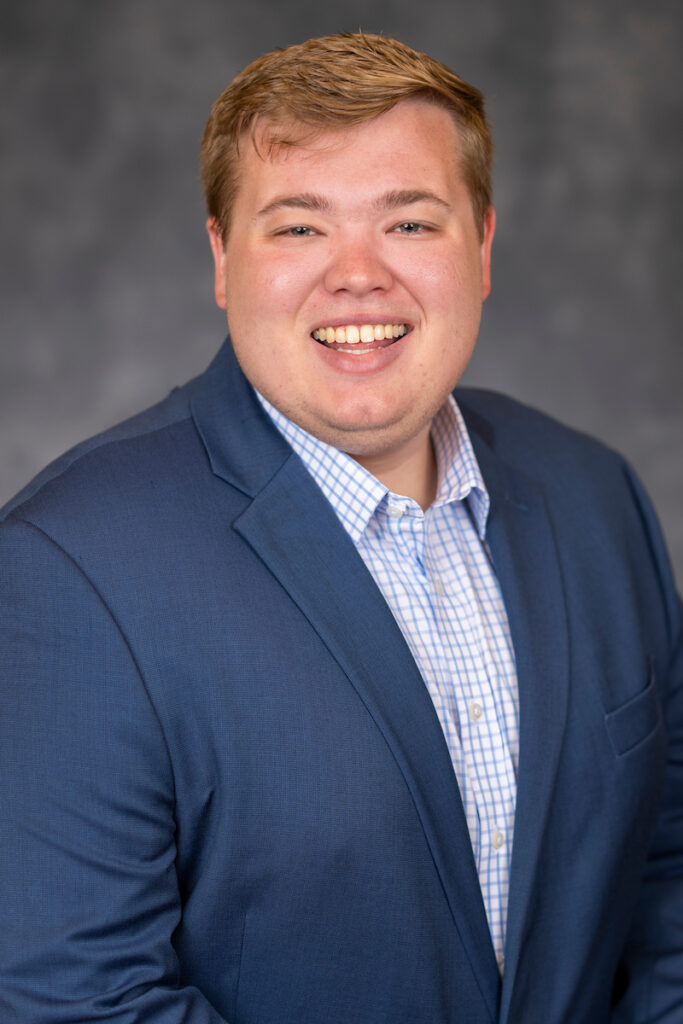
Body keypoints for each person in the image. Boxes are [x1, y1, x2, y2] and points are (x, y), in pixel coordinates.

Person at [0, 31, 681, 1024]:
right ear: (222, 258)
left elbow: (666, 868)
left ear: (481, 248)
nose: (357, 275)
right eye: (298, 228)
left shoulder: (594, 498)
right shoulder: (65, 569)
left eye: (408, 223)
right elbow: (74, 1002)